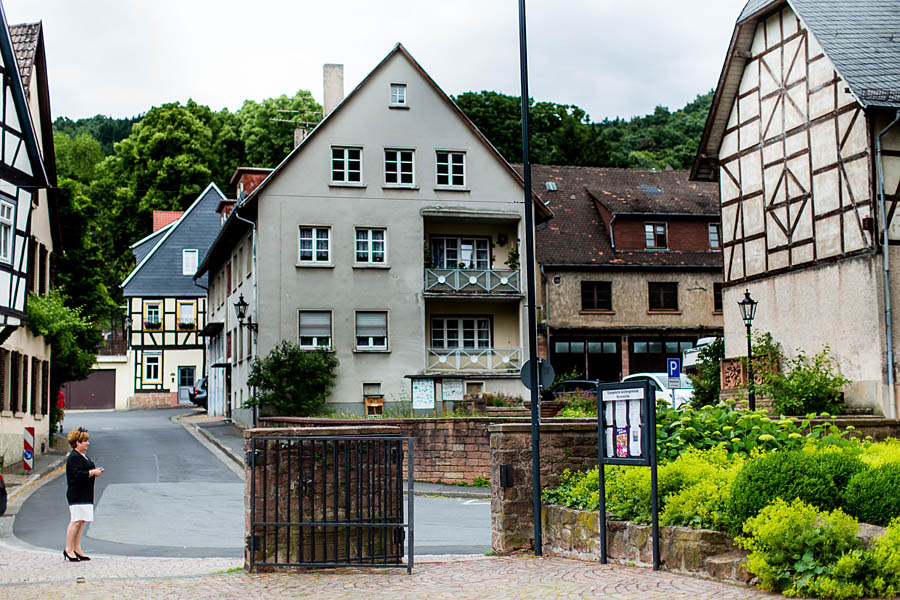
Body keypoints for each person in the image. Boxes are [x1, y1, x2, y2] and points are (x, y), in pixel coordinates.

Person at [64, 427, 103, 562]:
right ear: (77, 443)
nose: (87, 443)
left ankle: (77, 548)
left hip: (85, 493)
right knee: (75, 521)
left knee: (81, 521)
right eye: (85, 441)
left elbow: (85, 470)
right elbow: (77, 474)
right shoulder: (73, 457)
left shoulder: (83, 456)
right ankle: (68, 549)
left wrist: (95, 471)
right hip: (77, 493)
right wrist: (92, 472)